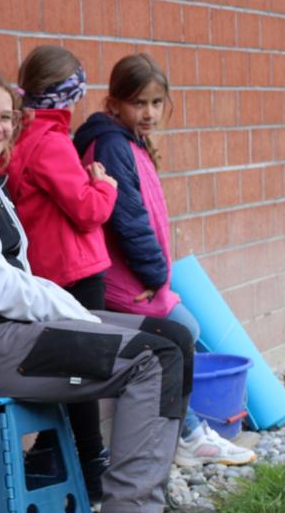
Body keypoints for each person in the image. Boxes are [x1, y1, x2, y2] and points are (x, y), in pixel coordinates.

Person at [0, 64, 222, 513]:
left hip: (13, 335)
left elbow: (15, 281)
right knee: (152, 357)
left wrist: (79, 316)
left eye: (5, 117)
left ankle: (147, 496)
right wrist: (81, 318)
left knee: (173, 335)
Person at [73, 53, 256, 468]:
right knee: (181, 333)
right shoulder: (112, 144)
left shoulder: (130, 141)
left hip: (139, 274)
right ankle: (186, 436)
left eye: (157, 103)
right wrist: (156, 274)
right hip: (126, 277)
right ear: (114, 103)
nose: (149, 113)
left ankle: (184, 434)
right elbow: (129, 218)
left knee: (180, 336)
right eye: (139, 103)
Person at [4, 45, 117, 500]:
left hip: (49, 271)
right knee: (84, 371)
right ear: (70, 94)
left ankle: (50, 456)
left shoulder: (22, 138)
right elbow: (88, 211)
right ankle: (92, 465)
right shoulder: (51, 142)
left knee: (72, 371)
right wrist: (104, 186)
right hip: (75, 271)